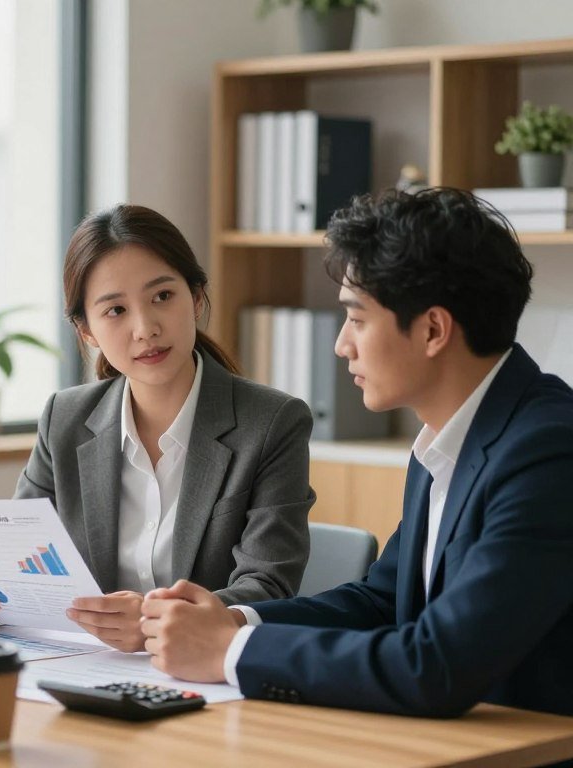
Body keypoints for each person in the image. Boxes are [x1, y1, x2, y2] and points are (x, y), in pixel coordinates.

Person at [141, 187, 573, 718]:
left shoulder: (548, 451)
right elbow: (383, 602)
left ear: (434, 329)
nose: (342, 344)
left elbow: (438, 664)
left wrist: (231, 653)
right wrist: (236, 623)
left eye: (358, 318)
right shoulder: (446, 439)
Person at [0, 204, 315, 652]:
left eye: (162, 297)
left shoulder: (272, 422)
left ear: (196, 297)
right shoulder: (65, 419)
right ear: (87, 330)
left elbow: (268, 586)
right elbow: (19, 567)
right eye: (115, 310)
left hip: (206, 676)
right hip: (80, 669)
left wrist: (157, 623)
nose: (145, 328)